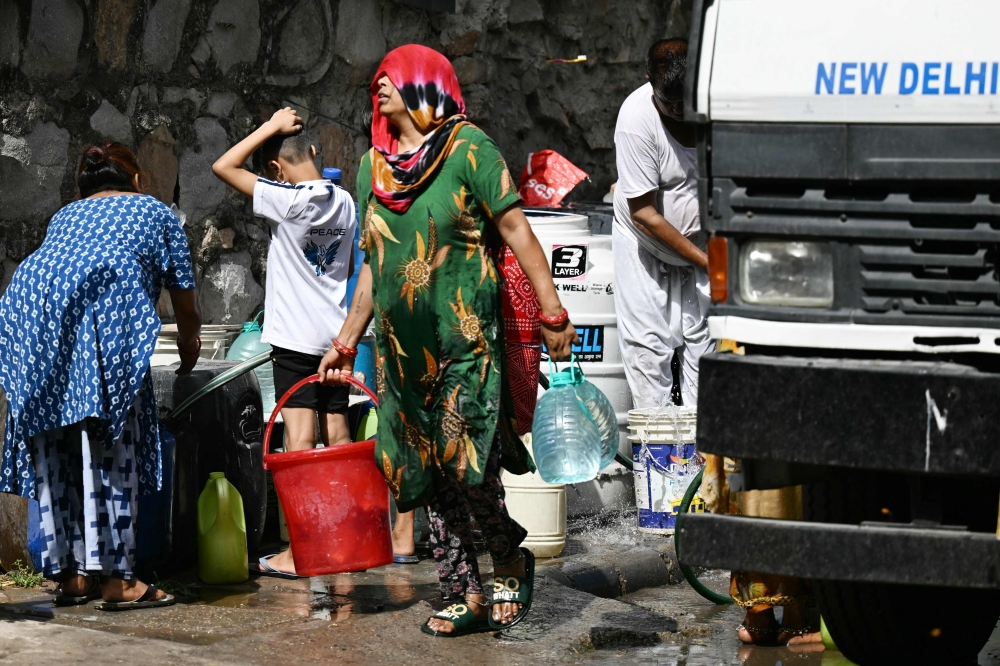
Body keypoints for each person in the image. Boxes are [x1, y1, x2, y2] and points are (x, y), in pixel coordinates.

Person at [317, 44, 576, 636]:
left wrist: (552, 311)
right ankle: (464, 591)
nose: (378, 84)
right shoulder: (371, 169)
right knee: (425, 472)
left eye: (391, 75)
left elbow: (517, 231)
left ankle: (508, 553)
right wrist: (345, 339)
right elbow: (371, 264)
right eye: (376, 78)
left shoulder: (469, 148)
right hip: (401, 354)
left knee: (467, 463)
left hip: (465, 340)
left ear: (425, 84)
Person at [0, 142, 201, 609]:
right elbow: (186, 301)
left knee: (58, 440)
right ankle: (117, 580)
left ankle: (71, 576)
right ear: (135, 179)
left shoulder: (64, 218)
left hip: (33, 315)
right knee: (111, 440)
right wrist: (189, 344)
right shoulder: (155, 212)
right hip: (102, 313)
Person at [212, 109, 358, 577]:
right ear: (314, 152)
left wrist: (271, 127)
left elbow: (224, 166)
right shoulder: (347, 202)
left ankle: (300, 553)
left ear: (275, 169)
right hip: (337, 338)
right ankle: (344, 543)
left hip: (295, 340)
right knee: (338, 437)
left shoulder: (287, 200)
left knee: (299, 443)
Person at [612, 38, 714, 410]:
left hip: (703, 244)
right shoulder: (636, 120)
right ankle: (657, 462)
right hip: (645, 245)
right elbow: (644, 213)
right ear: (648, 81)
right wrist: (706, 263)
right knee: (648, 352)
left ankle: (705, 463)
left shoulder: (718, 109)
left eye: (682, 103)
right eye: (666, 102)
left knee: (708, 352)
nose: (675, 110)